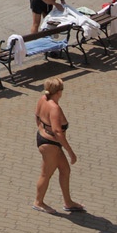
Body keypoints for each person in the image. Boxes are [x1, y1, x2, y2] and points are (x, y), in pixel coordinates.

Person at [33, 76, 83, 214]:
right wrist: (70, 151)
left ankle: (68, 202)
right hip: (50, 145)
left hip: (48, 141)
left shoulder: (43, 99)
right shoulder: (55, 108)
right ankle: (38, 202)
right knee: (45, 174)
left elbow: (37, 116)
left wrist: (41, 129)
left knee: (65, 170)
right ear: (59, 92)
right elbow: (57, 131)